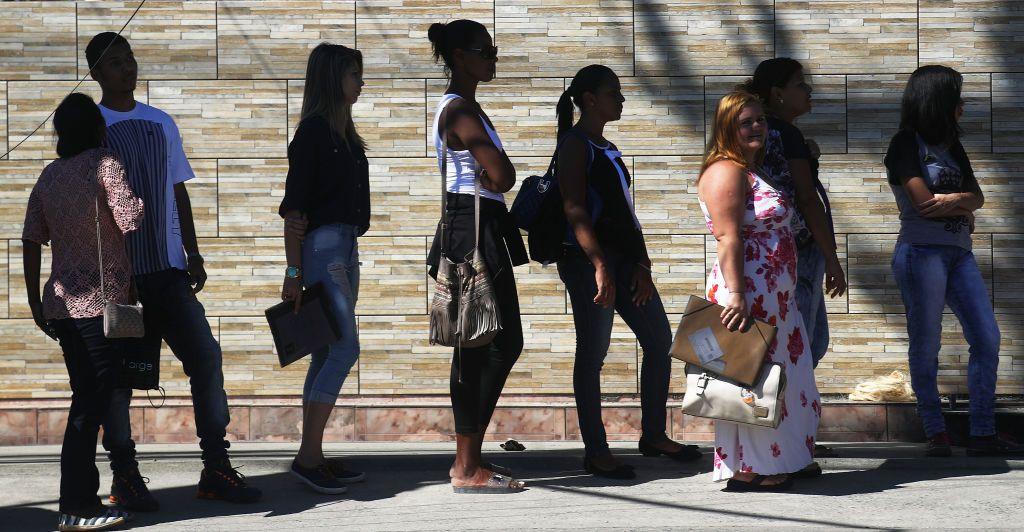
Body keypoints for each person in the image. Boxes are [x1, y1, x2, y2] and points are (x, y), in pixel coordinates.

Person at [86, 32, 261, 508]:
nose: (128, 68)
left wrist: (193, 252)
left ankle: (216, 467)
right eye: (116, 62)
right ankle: (124, 475)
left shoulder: (160, 122)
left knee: (205, 356)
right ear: (96, 72)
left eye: (131, 59)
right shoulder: (90, 125)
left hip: (167, 271)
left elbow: (178, 189)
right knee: (121, 378)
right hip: (119, 281)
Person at [554, 65, 701, 480]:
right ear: (589, 100)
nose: (621, 99)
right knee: (594, 353)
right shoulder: (574, 145)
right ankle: (596, 450)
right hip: (589, 265)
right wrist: (601, 264)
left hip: (624, 262)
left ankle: (653, 434)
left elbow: (626, 215)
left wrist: (643, 264)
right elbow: (574, 209)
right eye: (613, 93)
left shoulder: (607, 146)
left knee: (659, 342)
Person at [885, 65, 1022, 457]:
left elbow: (977, 197)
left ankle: (982, 431)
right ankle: (935, 430)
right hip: (921, 253)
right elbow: (922, 203)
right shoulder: (904, 145)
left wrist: (956, 202)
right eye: (956, 97)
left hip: (959, 254)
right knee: (927, 343)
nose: (962, 105)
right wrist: (959, 204)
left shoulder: (951, 145)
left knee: (986, 336)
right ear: (937, 101)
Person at [23, 93, 141, 531]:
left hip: (59, 304)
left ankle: (83, 501)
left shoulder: (49, 176)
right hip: (100, 303)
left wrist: (35, 301)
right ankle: (77, 506)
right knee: (90, 403)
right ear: (96, 127)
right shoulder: (104, 163)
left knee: (88, 399)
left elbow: (31, 237)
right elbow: (130, 216)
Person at [698, 90, 821, 491]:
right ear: (726, 128)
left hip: (776, 296)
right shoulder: (726, 171)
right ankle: (754, 465)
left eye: (760, 121)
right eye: (745, 121)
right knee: (754, 378)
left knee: (783, 378)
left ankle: (785, 457)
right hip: (749, 292)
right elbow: (728, 238)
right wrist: (735, 294)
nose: (756, 128)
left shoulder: (753, 169)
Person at [426, 19, 526, 493]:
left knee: (501, 342)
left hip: (479, 224)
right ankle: (465, 467)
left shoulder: (469, 109)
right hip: (472, 229)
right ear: (460, 58)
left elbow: (498, 177)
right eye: (484, 51)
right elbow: (502, 175)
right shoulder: (459, 111)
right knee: (476, 347)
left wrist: (496, 178)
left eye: (494, 50)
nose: (492, 59)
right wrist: (495, 177)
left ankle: (471, 455)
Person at [744, 58, 847, 458]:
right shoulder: (782, 133)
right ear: (777, 93)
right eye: (801, 85)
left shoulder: (782, 134)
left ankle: (790, 428)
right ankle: (787, 431)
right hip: (797, 252)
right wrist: (831, 255)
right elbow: (806, 197)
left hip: (787, 254)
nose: (808, 92)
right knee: (800, 345)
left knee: (807, 342)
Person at [279, 43, 369, 494]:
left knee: (325, 351)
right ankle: (308, 456)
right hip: (322, 249)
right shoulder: (313, 133)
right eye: (354, 74)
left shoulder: (346, 136)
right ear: (333, 78)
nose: (360, 82)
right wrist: (293, 274)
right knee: (344, 348)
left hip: (346, 246)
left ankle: (310, 454)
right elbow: (293, 212)